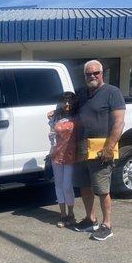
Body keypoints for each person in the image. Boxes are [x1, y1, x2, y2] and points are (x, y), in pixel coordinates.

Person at [72, 60, 126, 241]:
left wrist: (109, 147)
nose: (92, 76)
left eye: (96, 73)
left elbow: (119, 122)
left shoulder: (112, 92)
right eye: (89, 74)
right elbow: (69, 110)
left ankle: (107, 225)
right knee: (84, 186)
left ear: (102, 73)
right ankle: (90, 219)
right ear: (85, 76)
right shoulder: (81, 93)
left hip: (102, 148)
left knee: (102, 189)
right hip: (82, 147)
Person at [48, 92, 79, 228]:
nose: (67, 104)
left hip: (71, 155)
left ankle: (71, 214)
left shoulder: (78, 116)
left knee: (67, 186)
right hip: (56, 154)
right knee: (58, 185)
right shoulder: (55, 117)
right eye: (64, 101)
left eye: (70, 101)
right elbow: (51, 133)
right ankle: (63, 214)